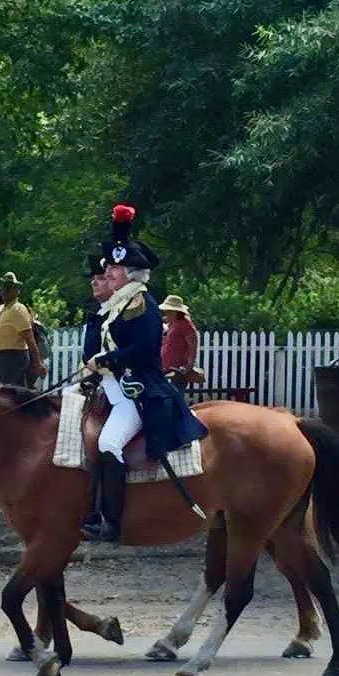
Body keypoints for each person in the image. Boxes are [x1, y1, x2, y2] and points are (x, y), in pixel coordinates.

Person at [81, 205, 208, 543]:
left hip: (136, 389)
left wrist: (106, 359)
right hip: (111, 384)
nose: (108, 271)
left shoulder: (143, 304)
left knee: (109, 442)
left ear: (132, 274)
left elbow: (143, 350)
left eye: (115, 268)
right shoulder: (119, 304)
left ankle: (111, 521)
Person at [0, 272, 48, 387]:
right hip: (1, 359)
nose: (4, 291)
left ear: (17, 291)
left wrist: (37, 363)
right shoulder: (2, 309)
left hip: (13, 358)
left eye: (9, 288)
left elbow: (29, 338)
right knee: (2, 395)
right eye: (3, 288)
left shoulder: (18, 309)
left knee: (9, 396)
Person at [159, 294, 199, 393]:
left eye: (168, 310)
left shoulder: (186, 326)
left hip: (177, 370)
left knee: (175, 398)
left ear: (176, 311)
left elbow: (192, 347)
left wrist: (189, 366)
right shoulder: (172, 323)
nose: (165, 312)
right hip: (166, 369)